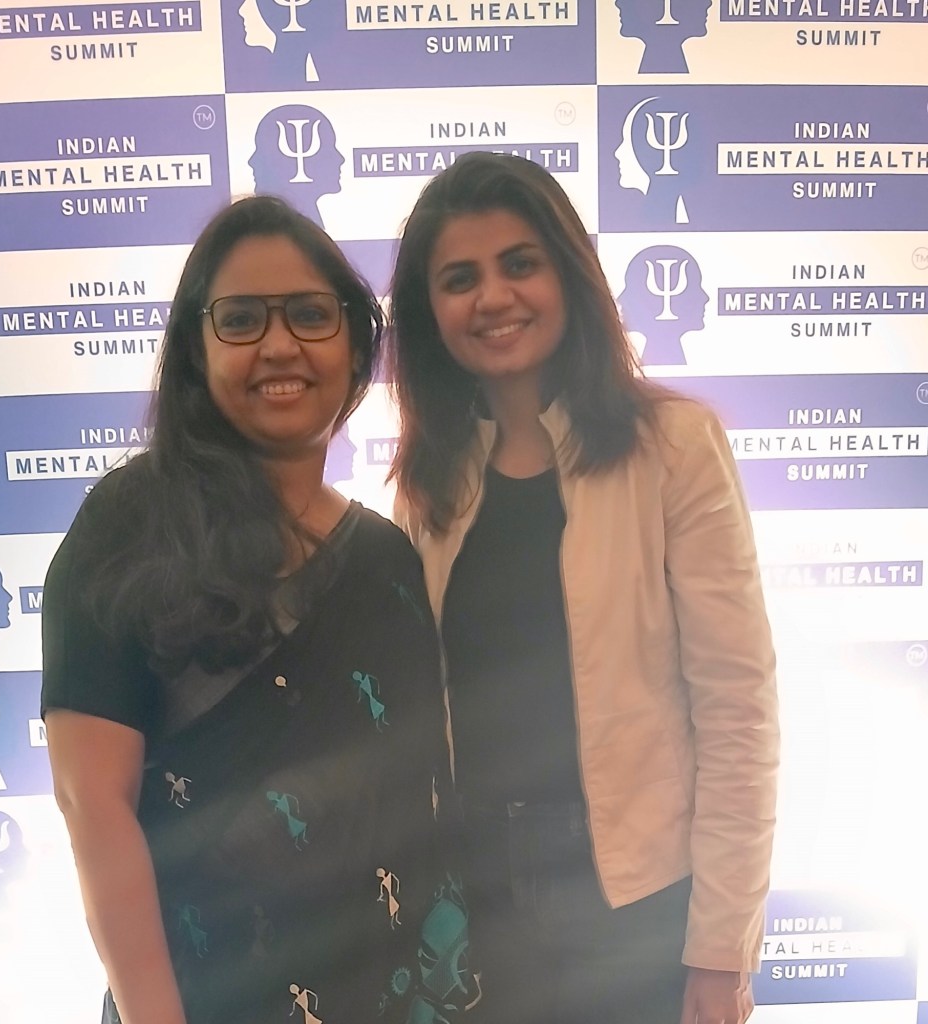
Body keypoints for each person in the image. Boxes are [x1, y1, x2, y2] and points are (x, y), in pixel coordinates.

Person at [42, 196, 477, 1024]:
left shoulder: (386, 560)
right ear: (197, 354)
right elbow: (93, 805)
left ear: (355, 348)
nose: (280, 345)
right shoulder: (131, 528)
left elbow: (420, 814)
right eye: (240, 319)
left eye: (312, 315)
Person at [388, 152, 778, 1024]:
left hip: (639, 901)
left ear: (568, 274)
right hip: (479, 898)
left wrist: (721, 953)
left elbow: (737, 708)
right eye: (459, 278)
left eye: (519, 263)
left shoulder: (674, 445)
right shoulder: (429, 480)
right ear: (429, 312)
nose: (492, 297)